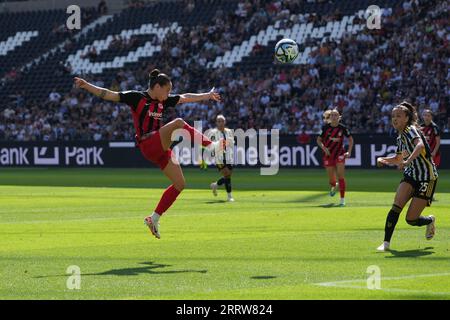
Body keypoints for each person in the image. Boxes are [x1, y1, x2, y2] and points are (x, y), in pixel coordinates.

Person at [74, 69, 223, 239]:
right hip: (148, 144)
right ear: (157, 86)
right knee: (179, 123)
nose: (168, 95)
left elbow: (185, 96)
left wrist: (207, 95)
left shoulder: (163, 101)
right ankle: (211, 146)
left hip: (161, 149)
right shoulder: (137, 97)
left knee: (180, 184)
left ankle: (154, 219)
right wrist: (86, 86)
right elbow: (110, 94)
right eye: (167, 90)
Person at [376, 101, 437, 251]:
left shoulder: (410, 130)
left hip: (426, 177)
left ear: (406, 118)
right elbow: (398, 159)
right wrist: (383, 159)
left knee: (411, 219)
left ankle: (429, 220)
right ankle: (386, 244)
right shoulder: (400, 137)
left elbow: (420, 146)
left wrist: (408, 160)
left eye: (398, 116)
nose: (394, 119)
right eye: (393, 116)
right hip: (411, 175)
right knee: (396, 207)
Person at [316, 109, 353, 206]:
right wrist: (324, 148)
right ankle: (333, 185)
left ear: (339, 117)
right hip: (328, 155)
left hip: (340, 153)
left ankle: (342, 200)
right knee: (332, 179)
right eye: (332, 115)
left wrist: (349, 151)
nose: (334, 117)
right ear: (330, 117)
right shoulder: (325, 128)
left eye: (336, 115)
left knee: (341, 176)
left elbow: (351, 140)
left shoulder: (343, 128)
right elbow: (318, 140)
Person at [209, 115, 235, 202]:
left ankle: (215, 185)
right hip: (219, 157)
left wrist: (230, 143)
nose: (220, 123)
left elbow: (232, 143)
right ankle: (229, 196)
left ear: (225, 122)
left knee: (228, 175)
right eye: (219, 121)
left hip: (229, 156)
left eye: (222, 121)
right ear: (216, 122)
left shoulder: (229, 132)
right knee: (227, 175)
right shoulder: (213, 133)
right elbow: (211, 145)